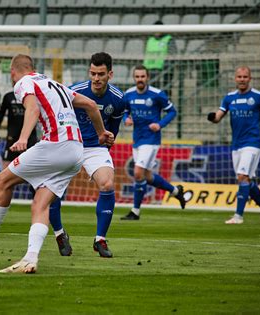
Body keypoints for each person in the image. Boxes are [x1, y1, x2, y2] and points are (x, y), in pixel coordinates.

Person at [0, 54, 114, 274]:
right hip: (76, 151)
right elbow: (90, 104)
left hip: (55, 145)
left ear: (13, 72)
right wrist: (101, 133)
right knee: (40, 203)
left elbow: (33, 109)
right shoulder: (53, 83)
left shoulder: (24, 83)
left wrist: (22, 138)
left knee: (2, 180)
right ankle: (30, 259)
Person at [48, 52, 126, 258]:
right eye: (93, 73)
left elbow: (113, 130)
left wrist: (105, 148)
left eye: (101, 74)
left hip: (95, 148)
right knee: (49, 191)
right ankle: (59, 234)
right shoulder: (74, 91)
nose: (96, 79)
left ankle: (100, 239)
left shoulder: (118, 99)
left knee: (107, 184)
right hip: (69, 143)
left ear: (110, 73)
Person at [207, 66, 260, 224]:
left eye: (245, 77)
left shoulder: (259, 97)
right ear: (235, 79)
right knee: (246, 181)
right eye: (239, 77)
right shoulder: (229, 98)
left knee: (242, 177)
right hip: (236, 145)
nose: (242, 79)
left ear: (250, 78)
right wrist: (212, 117)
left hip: (252, 144)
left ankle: (238, 216)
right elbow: (218, 117)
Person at [121, 64, 186, 221]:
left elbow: (172, 111)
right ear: (134, 78)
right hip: (137, 139)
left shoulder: (157, 94)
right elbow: (124, 111)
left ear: (148, 77)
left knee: (137, 173)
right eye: (137, 77)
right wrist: (126, 119)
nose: (140, 79)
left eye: (143, 76)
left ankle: (135, 212)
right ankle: (176, 192)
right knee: (147, 176)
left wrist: (160, 124)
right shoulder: (128, 94)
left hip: (151, 140)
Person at [0, 91, 38, 169]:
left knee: (33, 167)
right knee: (6, 165)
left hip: (30, 138)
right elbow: (1, 113)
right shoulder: (8, 96)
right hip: (12, 137)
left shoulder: (33, 97)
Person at [143, 21, 177, 97]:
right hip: (150, 69)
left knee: (165, 92)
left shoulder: (168, 39)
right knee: (151, 92)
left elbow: (172, 54)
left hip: (165, 70)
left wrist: (167, 66)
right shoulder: (150, 40)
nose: (156, 31)